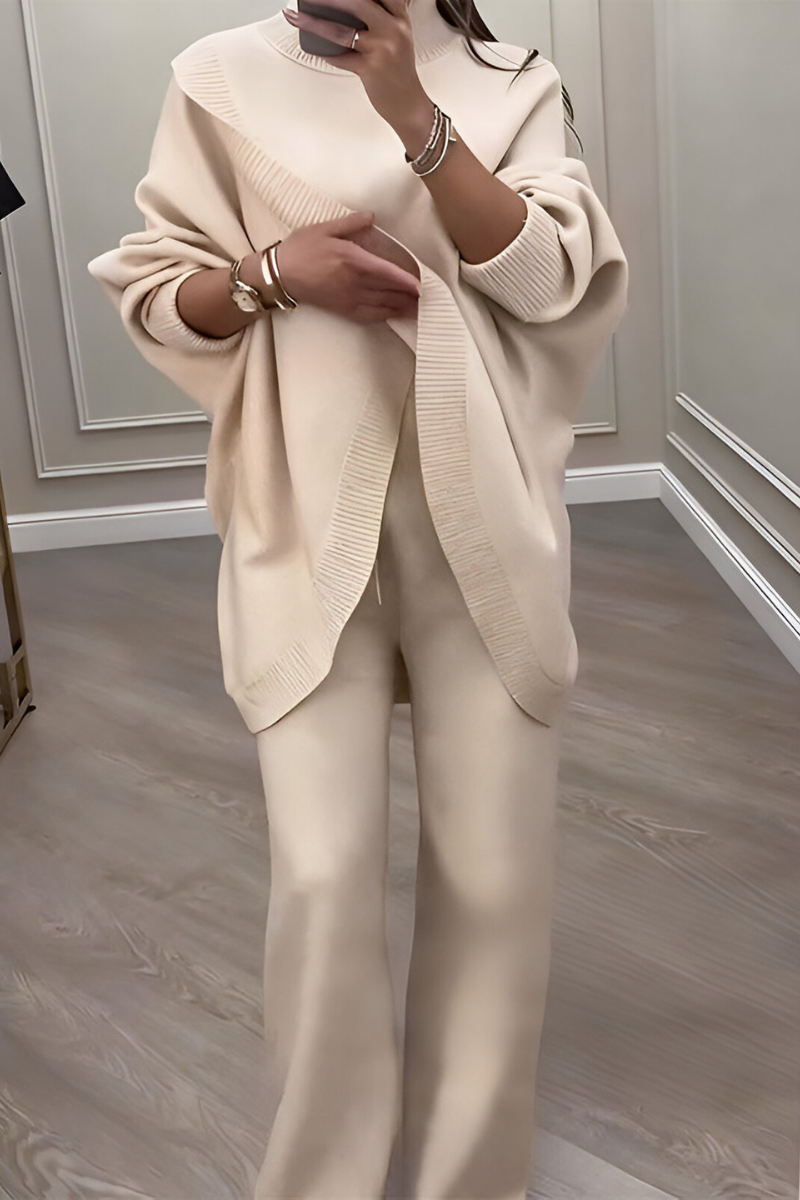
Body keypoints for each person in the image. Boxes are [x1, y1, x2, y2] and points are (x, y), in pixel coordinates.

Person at [88, 1, 629, 1196]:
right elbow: (158, 294)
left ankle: (467, 1178)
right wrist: (275, 274)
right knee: (322, 876)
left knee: (492, 878)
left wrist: (414, 119)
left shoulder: (511, 80)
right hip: (301, 519)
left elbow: (549, 282)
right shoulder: (216, 77)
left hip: (481, 522)